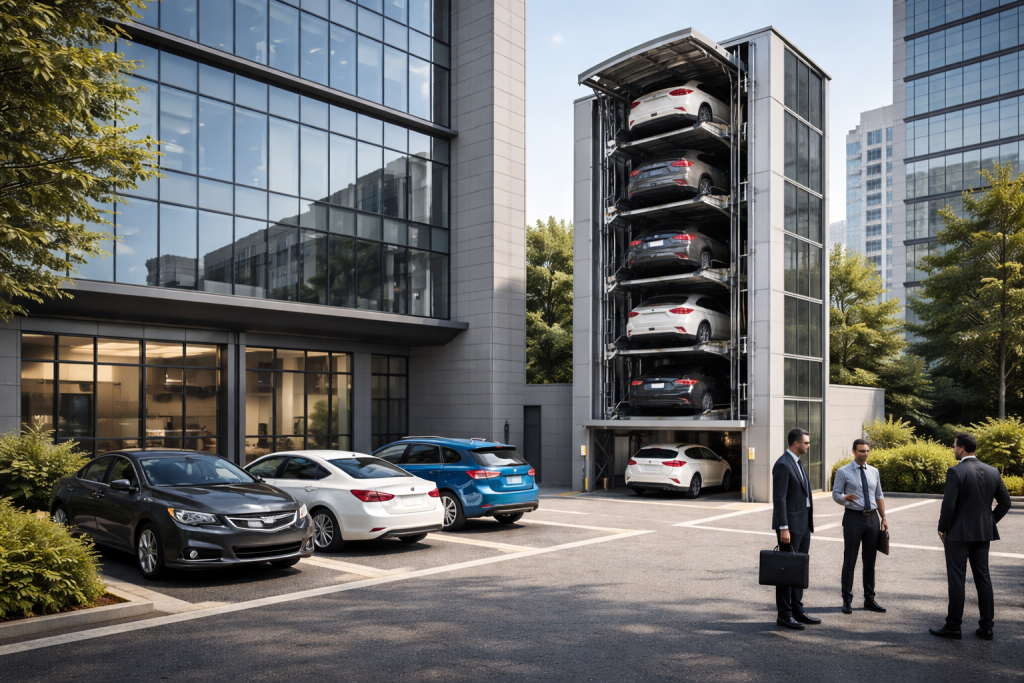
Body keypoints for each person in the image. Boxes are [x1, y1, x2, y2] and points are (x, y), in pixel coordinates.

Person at [929, 433, 1012, 641]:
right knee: (983, 578)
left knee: (957, 579)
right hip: (983, 533)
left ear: (962, 449)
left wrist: (942, 528)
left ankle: (953, 626)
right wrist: (990, 521)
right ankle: (987, 627)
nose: (953, 449)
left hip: (957, 534)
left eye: (954, 446)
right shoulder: (993, 471)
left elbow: (948, 505)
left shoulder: (955, 471)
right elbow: (1006, 502)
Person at [832, 439, 888, 615]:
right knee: (850, 560)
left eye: (867, 451)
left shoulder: (874, 472)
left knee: (870, 561)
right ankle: (847, 600)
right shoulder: (843, 472)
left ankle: (869, 599)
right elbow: (835, 493)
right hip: (853, 519)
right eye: (862, 451)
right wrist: (844, 499)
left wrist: (883, 517)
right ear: (854, 452)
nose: (865, 454)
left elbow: (879, 495)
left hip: (872, 519)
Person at [771, 427, 819, 630]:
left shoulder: (797, 462)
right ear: (796, 443)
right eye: (806, 442)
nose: (809, 445)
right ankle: (784, 614)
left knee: (799, 570)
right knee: (786, 571)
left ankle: (797, 609)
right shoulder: (783, 464)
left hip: (804, 525)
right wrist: (783, 527)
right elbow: (779, 498)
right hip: (790, 527)